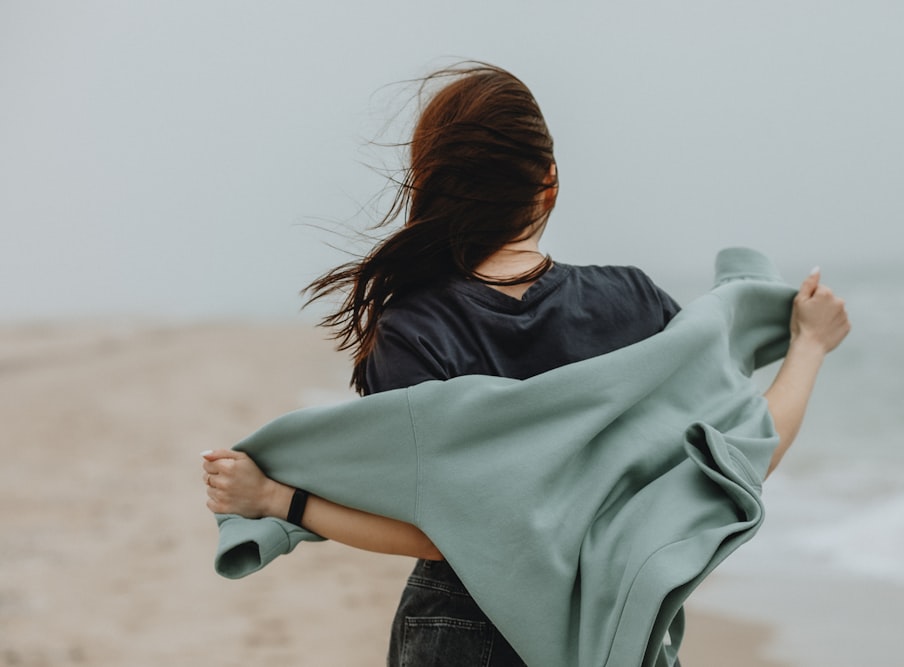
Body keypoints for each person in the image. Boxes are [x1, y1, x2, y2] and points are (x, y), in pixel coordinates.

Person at [202, 62, 850, 666]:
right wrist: (809, 345)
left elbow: (434, 537)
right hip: (613, 622)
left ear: (429, 188)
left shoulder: (414, 328)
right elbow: (742, 454)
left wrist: (279, 498)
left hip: (461, 627)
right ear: (549, 181)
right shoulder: (632, 301)